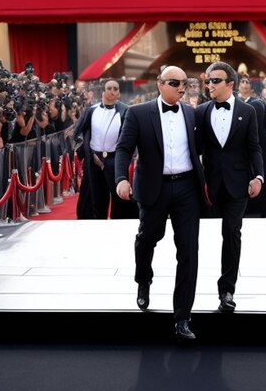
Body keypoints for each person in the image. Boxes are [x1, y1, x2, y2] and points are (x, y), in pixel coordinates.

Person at [115, 66, 207, 341]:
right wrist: (121, 178)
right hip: (153, 188)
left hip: (187, 188)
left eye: (185, 83)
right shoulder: (139, 113)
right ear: (160, 84)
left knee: (189, 250)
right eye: (175, 83)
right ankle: (143, 279)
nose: (182, 87)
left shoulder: (192, 113)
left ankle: (182, 317)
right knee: (148, 238)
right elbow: (123, 148)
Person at [195, 61, 264, 312]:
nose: (210, 84)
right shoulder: (201, 111)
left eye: (215, 80)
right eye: (208, 80)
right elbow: (195, 150)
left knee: (232, 234)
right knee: (190, 238)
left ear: (230, 84)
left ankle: (227, 290)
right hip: (207, 186)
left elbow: (254, 147)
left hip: (237, 184)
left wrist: (258, 177)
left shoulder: (248, 112)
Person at [75, 79, 137, 220]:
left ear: (119, 93)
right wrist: (90, 154)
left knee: (119, 197)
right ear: (103, 91)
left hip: (115, 160)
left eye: (115, 89)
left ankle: (120, 224)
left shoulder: (125, 111)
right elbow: (79, 133)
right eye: (109, 88)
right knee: (94, 197)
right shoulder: (91, 111)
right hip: (93, 160)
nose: (112, 91)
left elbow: (129, 138)